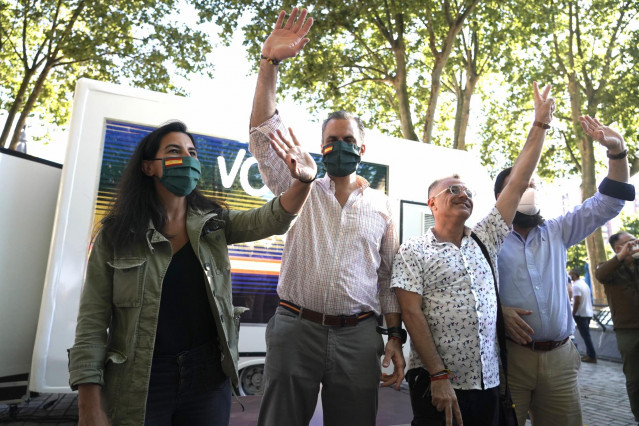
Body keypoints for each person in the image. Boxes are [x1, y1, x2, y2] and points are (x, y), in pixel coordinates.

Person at [68, 121, 316, 426]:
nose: (186, 159)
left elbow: (272, 219)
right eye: (174, 151)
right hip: (140, 381)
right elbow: (91, 323)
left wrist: (304, 182)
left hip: (207, 380)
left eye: (192, 153)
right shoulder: (116, 235)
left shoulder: (215, 224)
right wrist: (88, 405)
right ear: (149, 167)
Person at [248, 8, 405, 426]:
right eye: (330, 142)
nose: (339, 147)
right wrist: (270, 63)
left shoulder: (382, 206)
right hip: (295, 329)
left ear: (362, 149)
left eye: (347, 140)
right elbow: (263, 137)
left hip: (358, 336)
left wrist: (394, 336)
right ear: (320, 148)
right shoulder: (300, 188)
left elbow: (388, 278)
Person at [392, 82, 555, 426]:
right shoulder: (413, 249)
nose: (463, 194)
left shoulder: (487, 238)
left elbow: (517, 180)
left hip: (488, 385)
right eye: (453, 189)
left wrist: (539, 124)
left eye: (467, 191)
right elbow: (410, 312)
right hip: (438, 384)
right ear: (432, 203)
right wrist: (438, 376)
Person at [495, 116, 635, 426]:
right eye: (521, 185)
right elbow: (468, 290)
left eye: (533, 185)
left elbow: (609, 203)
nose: (529, 191)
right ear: (501, 198)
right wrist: (498, 311)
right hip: (509, 360)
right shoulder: (487, 239)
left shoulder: (558, 230)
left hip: (560, 359)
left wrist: (618, 152)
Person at [595, 231, 639, 422]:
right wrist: (621, 257)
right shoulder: (610, 269)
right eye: (630, 242)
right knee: (635, 378)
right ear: (618, 248)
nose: (635, 243)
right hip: (627, 330)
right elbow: (600, 274)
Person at [569, 268, 597, 363]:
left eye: (571, 274)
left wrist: (573, 313)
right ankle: (589, 354)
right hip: (587, 313)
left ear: (575, 275)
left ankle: (592, 355)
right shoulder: (584, 284)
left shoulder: (576, 286)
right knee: (586, 335)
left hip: (580, 314)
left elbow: (577, 301)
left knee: (586, 336)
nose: (570, 276)